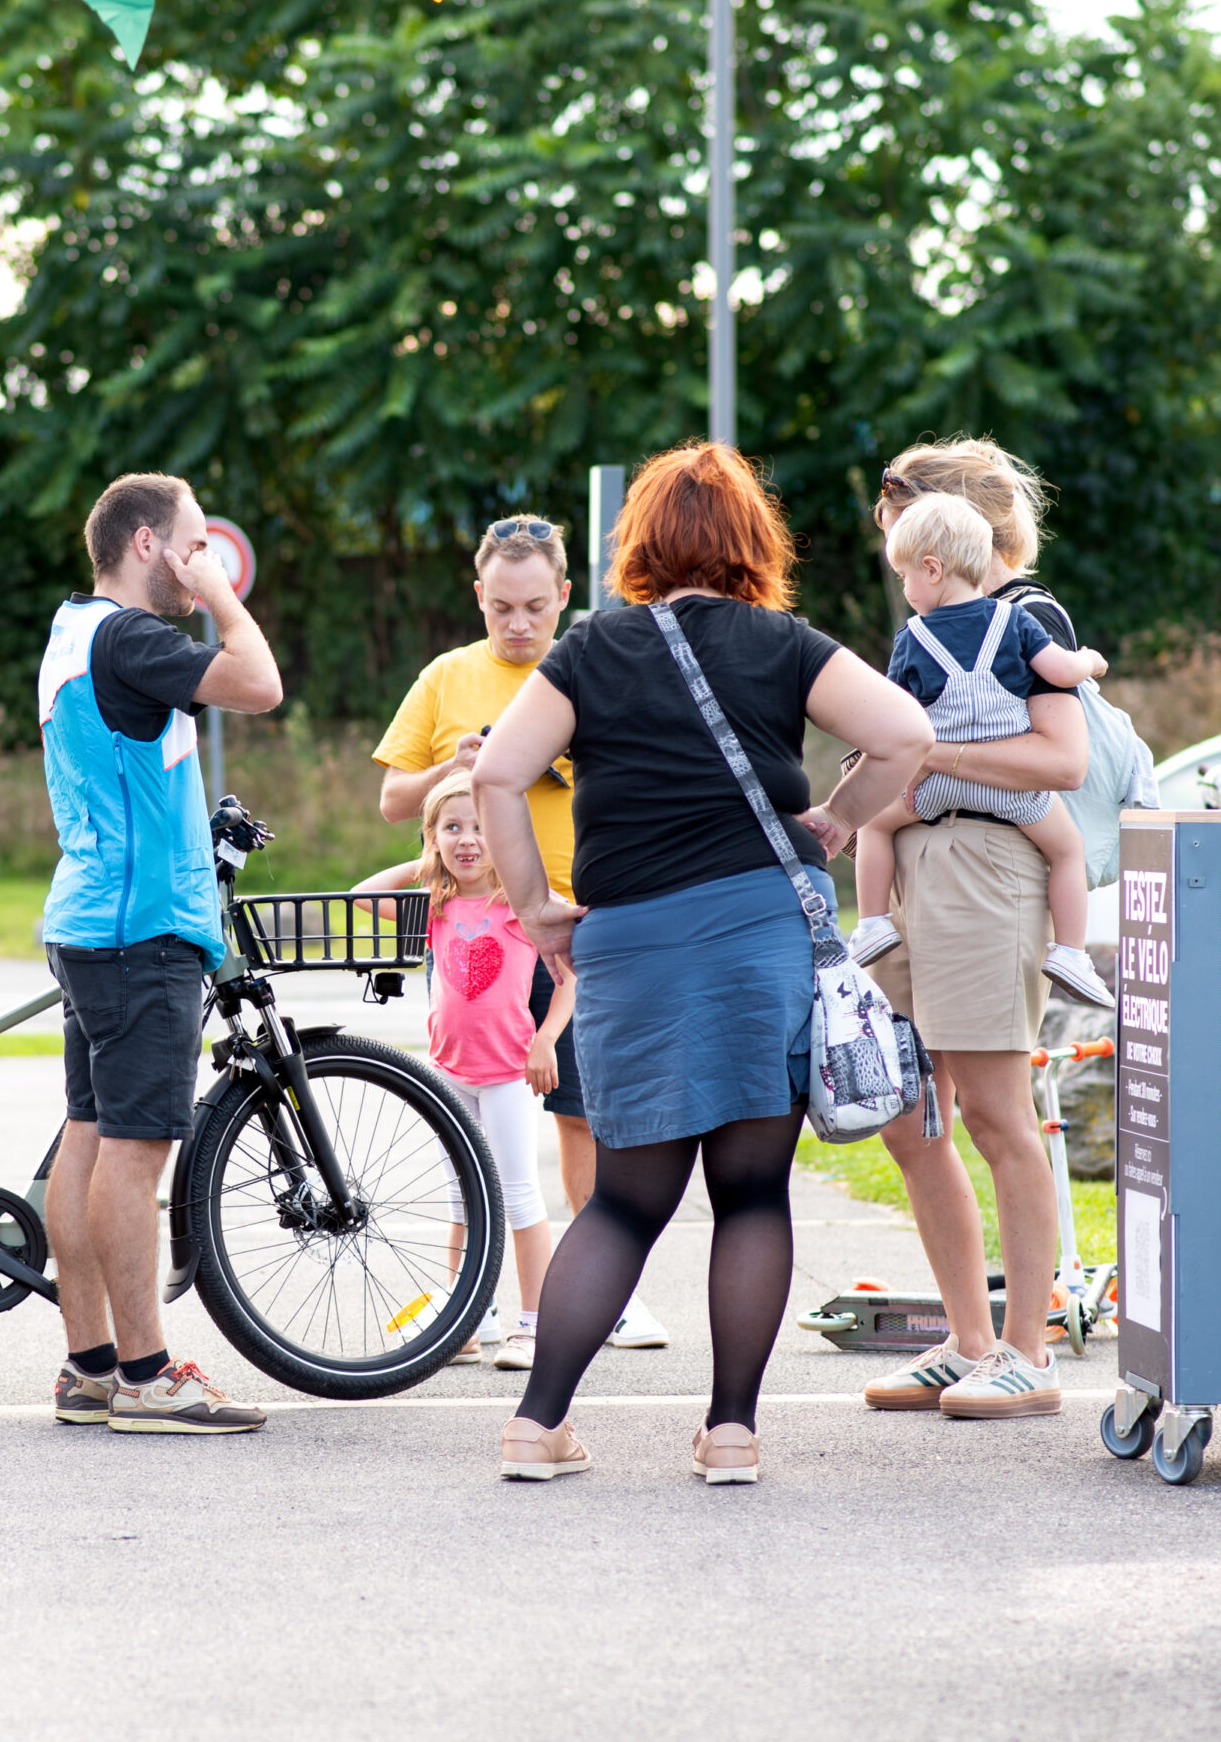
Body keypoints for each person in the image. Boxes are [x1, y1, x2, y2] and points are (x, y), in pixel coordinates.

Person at [470, 442, 933, 1483]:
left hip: (630, 944)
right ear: (751, 541)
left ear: (638, 541)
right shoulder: (783, 643)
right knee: (752, 1193)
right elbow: (906, 734)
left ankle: (537, 1424)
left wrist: (537, 908)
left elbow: (498, 774)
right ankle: (730, 1433)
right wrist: (835, 818)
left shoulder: (591, 649)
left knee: (623, 1201)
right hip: (759, 938)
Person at [374, 514, 670, 1351]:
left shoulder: (595, 668)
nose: (517, 624)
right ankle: (464, 1302)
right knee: (466, 1130)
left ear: (565, 596)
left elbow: (650, 780)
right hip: (480, 935)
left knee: (586, 1117)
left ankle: (608, 1293)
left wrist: (562, 760)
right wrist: (456, 766)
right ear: (478, 596)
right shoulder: (445, 676)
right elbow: (394, 803)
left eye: (535, 607)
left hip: (581, 925)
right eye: (501, 607)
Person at [39, 471, 285, 1435]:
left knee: (89, 1137)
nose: (199, 560)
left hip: (91, 917)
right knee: (132, 1154)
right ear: (146, 544)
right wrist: (219, 592)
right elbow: (259, 683)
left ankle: (90, 1366)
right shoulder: (130, 637)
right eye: (190, 544)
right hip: (142, 930)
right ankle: (146, 1375)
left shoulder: (72, 631)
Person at [853, 438, 1091, 1422]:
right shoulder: (930, 620)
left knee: (995, 1114)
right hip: (917, 865)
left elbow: (1062, 761)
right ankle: (968, 1340)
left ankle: (1028, 1351)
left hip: (987, 869)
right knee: (912, 1120)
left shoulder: (1030, 616)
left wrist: (928, 758)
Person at [848, 491, 1116, 1010]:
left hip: (938, 785)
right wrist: (1091, 661)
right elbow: (1062, 672)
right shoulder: (1016, 621)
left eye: (904, 576)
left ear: (931, 569)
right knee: (1067, 850)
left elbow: (897, 721)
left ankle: (873, 923)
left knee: (873, 825)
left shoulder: (911, 638)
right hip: (1012, 792)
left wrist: (907, 775)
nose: (905, 588)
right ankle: (1070, 953)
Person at [351, 771, 568, 1372]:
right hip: (451, 1072)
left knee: (518, 1197)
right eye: (452, 828)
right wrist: (426, 863)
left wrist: (546, 1040)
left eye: (480, 826)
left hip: (507, 1072)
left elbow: (571, 979)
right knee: (460, 1196)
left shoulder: (521, 904)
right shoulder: (434, 905)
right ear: (432, 837)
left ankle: (534, 1324)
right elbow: (362, 893)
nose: (467, 839)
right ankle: (467, 1319)